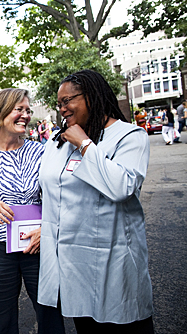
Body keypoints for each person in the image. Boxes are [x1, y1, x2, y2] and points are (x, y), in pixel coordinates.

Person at [38, 70, 154, 333]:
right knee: (87, 325)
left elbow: (120, 186)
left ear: (91, 96)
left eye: (68, 101)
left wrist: (85, 145)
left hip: (113, 261)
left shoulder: (129, 136)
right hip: (73, 265)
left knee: (122, 322)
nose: (63, 109)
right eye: (59, 104)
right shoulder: (58, 143)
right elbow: (50, 192)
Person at [0, 88, 64, 334]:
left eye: (28, 110)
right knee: (3, 320)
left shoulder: (40, 152)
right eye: (18, 109)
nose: (25, 115)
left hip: (37, 245)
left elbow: (56, 199)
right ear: (0, 114)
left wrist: (46, 229)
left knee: (49, 314)